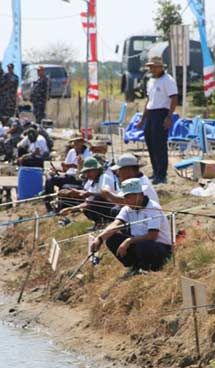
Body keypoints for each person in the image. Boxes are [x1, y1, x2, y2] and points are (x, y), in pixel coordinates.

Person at [90, 178, 172, 274]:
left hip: (159, 247)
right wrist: (99, 238)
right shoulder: (127, 209)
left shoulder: (152, 208)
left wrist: (129, 241)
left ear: (140, 195)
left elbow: (152, 236)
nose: (126, 200)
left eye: (129, 197)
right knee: (112, 239)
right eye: (125, 197)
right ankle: (136, 266)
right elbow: (115, 224)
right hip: (138, 244)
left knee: (143, 244)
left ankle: (148, 267)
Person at [136, 56, 177, 185]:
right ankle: (155, 171)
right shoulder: (151, 81)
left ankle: (162, 174)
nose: (151, 69)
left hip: (162, 113)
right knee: (151, 143)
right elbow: (149, 101)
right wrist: (143, 119)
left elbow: (174, 98)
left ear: (160, 67)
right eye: (150, 67)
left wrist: (169, 116)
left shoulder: (168, 80)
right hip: (151, 113)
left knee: (160, 145)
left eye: (153, 66)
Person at [59, 157, 118, 227]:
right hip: (102, 205)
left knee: (96, 199)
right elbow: (87, 197)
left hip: (114, 206)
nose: (87, 174)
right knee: (84, 200)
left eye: (89, 171)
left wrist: (72, 208)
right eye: (86, 172)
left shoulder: (104, 177)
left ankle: (104, 221)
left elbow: (104, 195)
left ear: (96, 170)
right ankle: (99, 223)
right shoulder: (92, 180)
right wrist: (75, 193)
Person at [43, 135, 92, 212]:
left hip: (78, 178)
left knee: (64, 184)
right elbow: (65, 169)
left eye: (78, 142)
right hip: (68, 176)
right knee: (50, 179)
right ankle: (48, 204)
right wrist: (57, 169)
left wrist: (72, 165)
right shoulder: (71, 152)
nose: (76, 144)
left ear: (82, 142)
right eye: (74, 142)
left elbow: (86, 169)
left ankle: (59, 206)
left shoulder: (88, 154)